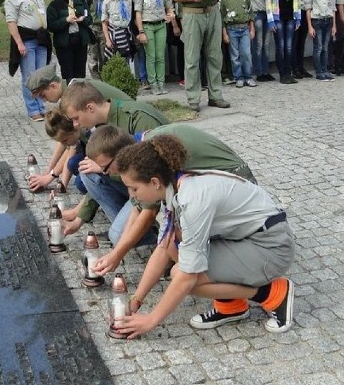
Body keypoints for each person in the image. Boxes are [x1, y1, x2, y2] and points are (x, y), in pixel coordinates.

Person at [110, 135, 295, 338]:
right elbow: (163, 247)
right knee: (172, 245)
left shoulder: (192, 199)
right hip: (245, 238)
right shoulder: (175, 185)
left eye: (134, 188)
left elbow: (187, 277)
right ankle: (232, 306)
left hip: (271, 247)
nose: (131, 195)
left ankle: (273, 293)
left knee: (182, 275)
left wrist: (151, 320)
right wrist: (137, 299)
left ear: (154, 182)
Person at [83, 123, 257, 276]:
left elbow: (148, 213)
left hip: (240, 190)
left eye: (106, 168)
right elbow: (139, 206)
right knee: (164, 238)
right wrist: (117, 251)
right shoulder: (146, 147)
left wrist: (117, 254)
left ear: (121, 154)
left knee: (178, 249)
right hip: (223, 187)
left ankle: (216, 272)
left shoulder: (149, 161)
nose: (106, 173)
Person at [59, 81, 168, 245]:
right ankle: (135, 228)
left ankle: (155, 237)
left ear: (90, 108)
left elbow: (152, 176)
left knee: (118, 237)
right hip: (136, 187)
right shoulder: (102, 125)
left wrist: (103, 169)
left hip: (159, 187)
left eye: (76, 118)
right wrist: (79, 219)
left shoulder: (136, 118)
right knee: (87, 172)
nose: (75, 125)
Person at [25, 64, 131, 192]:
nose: (44, 101)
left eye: (43, 95)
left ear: (53, 86)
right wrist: (49, 171)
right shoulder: (69, 92)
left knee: (81, 180)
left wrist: (53, 177)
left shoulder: (72, 95)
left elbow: (71, 142)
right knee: (75, 164)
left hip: (124, 128)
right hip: (108, 132)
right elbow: (65, 141)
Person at [168, 0, 230, 111]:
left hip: (212, 13)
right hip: (192, 15)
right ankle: (193, 99)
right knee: (192, 58)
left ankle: (215, 95)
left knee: (215, 56)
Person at [4, 0, 52, 121]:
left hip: (41, 39)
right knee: (30, 76)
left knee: (41, 75)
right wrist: (19, 43)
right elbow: (11, 21)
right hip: (27, 39)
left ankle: (41, 105)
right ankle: (32, 109)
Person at [134, 0, 174, 96]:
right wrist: (141, 32)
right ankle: (153, 84)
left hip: (161, 25)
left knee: (160, 56)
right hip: (148, 26)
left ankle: (161, 83)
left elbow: (169, 8)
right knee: (151, 56)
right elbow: (138, 12)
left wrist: (171, 15)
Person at [47, 0, 93, 82]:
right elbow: (51, 26)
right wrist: (66, 20)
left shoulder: (80, 1)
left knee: (80, 74)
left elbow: (89, 19)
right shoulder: (54, 5)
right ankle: (70, 97)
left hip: (80, 41)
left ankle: (80, 97)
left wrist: (82, 20)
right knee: (68, 75)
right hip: (64, 44)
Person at [265, 0, 300, 84]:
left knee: (289, 46)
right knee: (281, 46)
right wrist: (270, 20)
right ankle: (282, 74)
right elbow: (268, 2)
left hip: (290, 16)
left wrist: (298, 17)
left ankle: (288, 72)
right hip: (278, 17)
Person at [219, 0, 256, 88]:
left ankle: (248, 76)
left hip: (244, 28)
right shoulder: (225, 0)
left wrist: (252, 29)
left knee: (246, 53)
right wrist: (224, 33)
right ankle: (238, 77)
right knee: (234, 55)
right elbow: (222, 18)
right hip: (231, 29)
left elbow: (250, 14)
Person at [243, 0, 273, 82]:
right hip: (257, 14)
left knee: (267, 44)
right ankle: (259, 71)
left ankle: (266, 70)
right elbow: (246, 2)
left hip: (268, 14)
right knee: (258, 44)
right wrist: (249, 21)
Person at [304, 0, 337, 82]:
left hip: (328, 20)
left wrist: (334, 25)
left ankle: (325, 70)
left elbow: (333, 9)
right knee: (319, 47)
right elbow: (308, 9)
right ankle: (319, 72)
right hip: (317, 20)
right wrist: (309, 26)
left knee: (326, 47)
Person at [102, 0, 135, 66]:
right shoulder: (107, 2)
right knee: (115, 60)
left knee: (126, 58)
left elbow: (129, 17)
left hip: (125, 33)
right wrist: (108, 40)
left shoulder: (127, 0)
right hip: (115, 33)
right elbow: (104, 23)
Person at [292, 0, 313, 79]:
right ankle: (294, 68)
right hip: (295, 12)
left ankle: (301, 66)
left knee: (301, 42)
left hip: (306, 11)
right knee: (294, 41)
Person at [130, 0, 150, 90]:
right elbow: (132, 17)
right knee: (141, 55)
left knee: (150, 55)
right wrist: (137, 32)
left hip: (148, 26)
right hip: (136, 29)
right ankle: (143, 79)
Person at [216, 0, 235, 86]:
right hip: (218, 16)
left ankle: (232, 71)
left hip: (231, 17)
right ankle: (223, 74)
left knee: (231, 47)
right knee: (220, 48)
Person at [86, 0, 107, 78]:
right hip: (93, 28)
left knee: (104, 54)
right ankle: (96, 79)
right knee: (93, 55)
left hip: (104, 28)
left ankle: (105, 76)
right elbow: (86, 14)